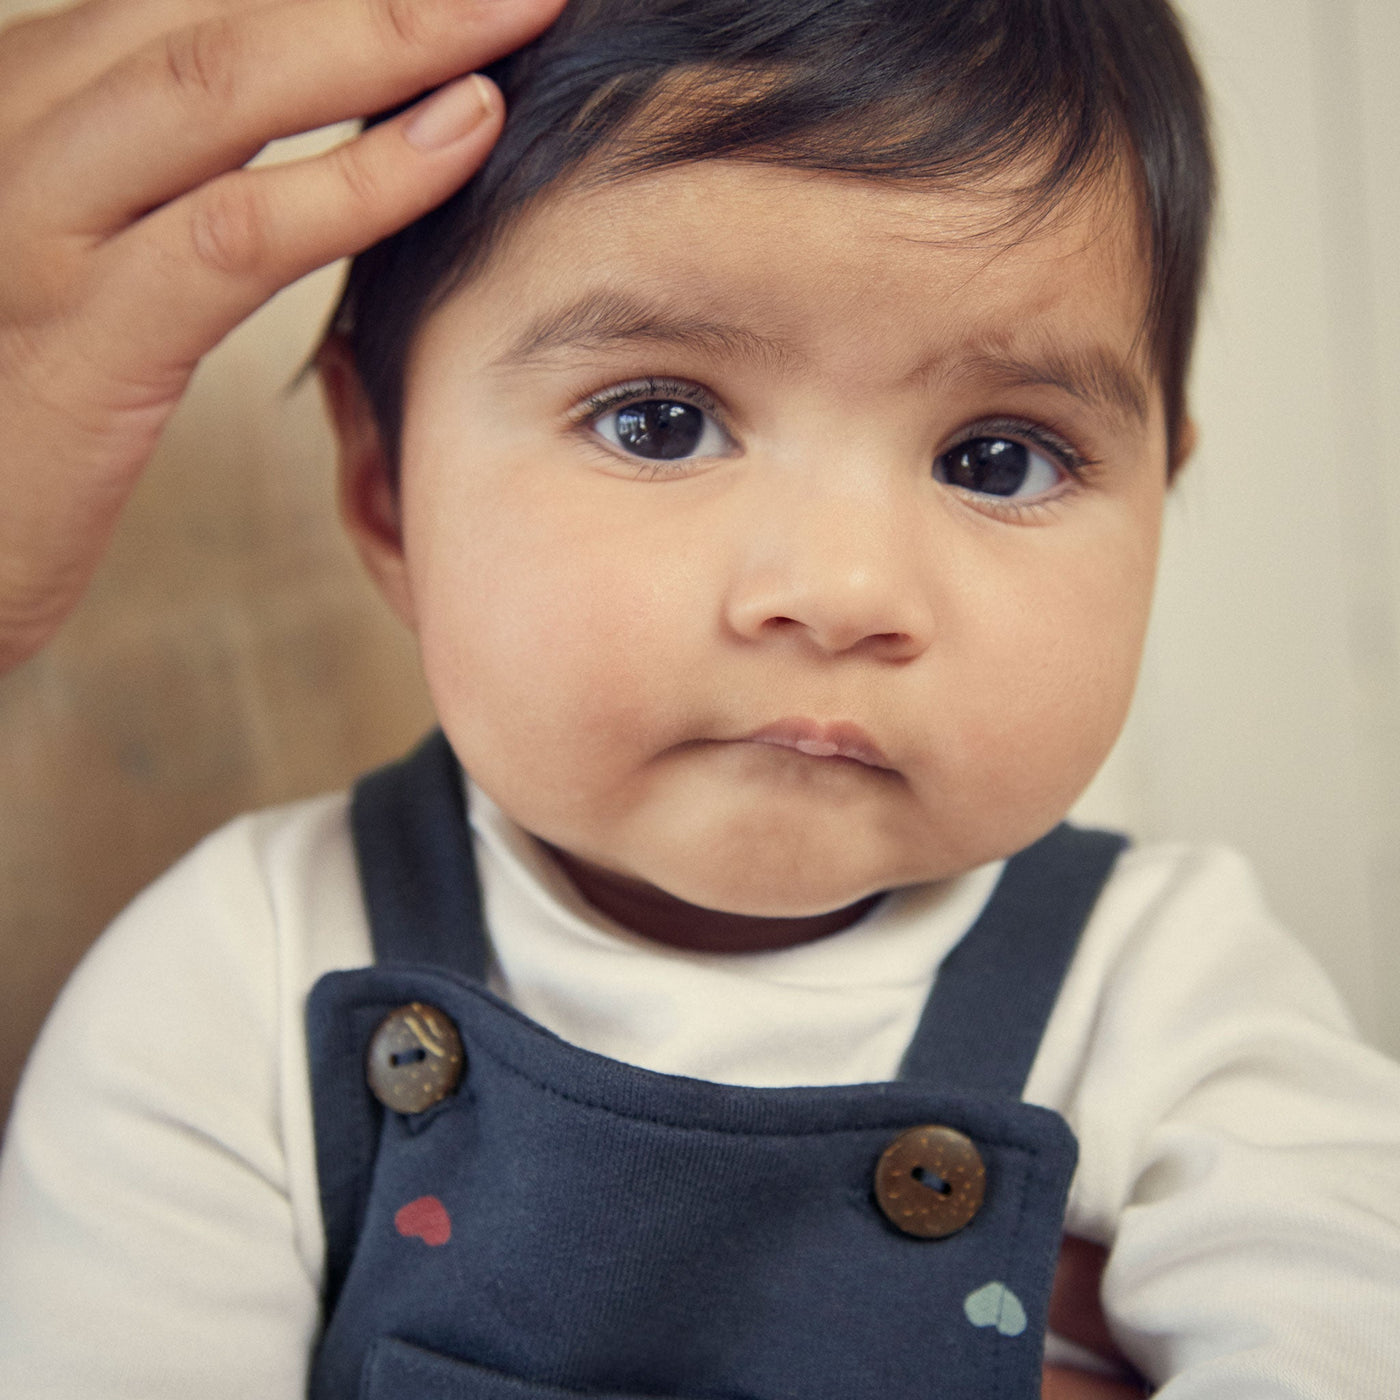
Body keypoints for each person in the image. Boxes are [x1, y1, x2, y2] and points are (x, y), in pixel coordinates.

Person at [2, 2, 1398, 1398]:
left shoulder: (1170, 990)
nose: (844, 587)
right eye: (659, 420)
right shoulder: (241, 972)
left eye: (997, 459)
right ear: (386, 493)